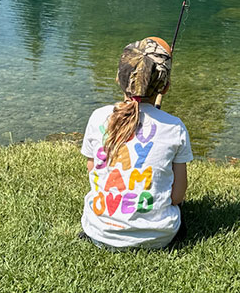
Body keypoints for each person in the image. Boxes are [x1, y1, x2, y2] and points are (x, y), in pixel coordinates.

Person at [80, 37, 192, 249]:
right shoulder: (175, 127)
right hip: (158, 238)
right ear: (165, 87)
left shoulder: (97, 117)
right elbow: (177, 197)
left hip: (98, 232)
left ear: (118, 78)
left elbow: (91, 169)